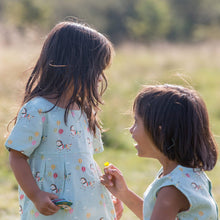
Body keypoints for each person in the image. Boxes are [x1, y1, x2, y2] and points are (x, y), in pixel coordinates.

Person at [5, 21, 123, 220]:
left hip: (87, 208)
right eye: (97, 70)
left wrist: (102, 195)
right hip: (53, 208)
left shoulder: (85, 111)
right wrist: (35, 195)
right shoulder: (38, 110)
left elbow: (84, 163)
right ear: (75, 66)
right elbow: (17, 156)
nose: (101, 78)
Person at [101, 84, 219, 220]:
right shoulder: (186, 174)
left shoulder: (172, 190)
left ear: (159, 131)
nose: (131, 130)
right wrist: (124, 194)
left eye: (136, 122)